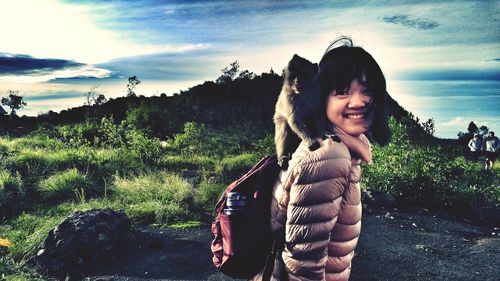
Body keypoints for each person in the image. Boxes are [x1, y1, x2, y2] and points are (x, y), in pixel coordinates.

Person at [253, 37, 390, 281]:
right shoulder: (329, 156)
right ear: (322, 96)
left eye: (367, 91)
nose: (359, 101)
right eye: (342, 91)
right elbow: (304, 260)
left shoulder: (342, 148)